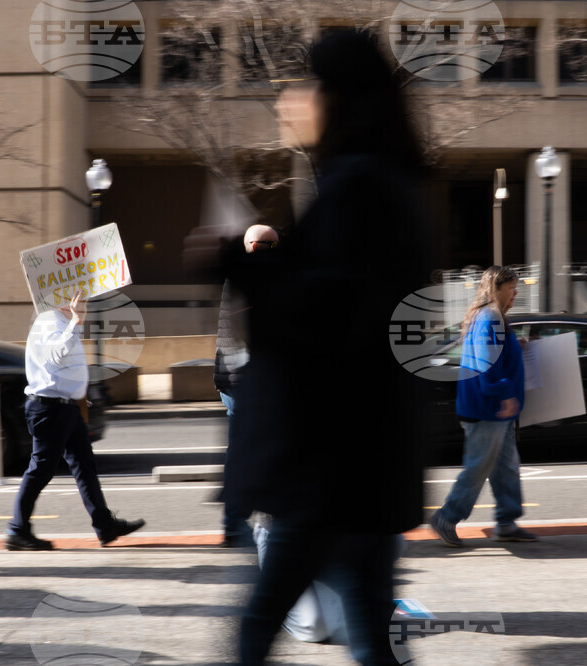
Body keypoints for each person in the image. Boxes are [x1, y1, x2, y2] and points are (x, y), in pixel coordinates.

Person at [215, 30, 431, 665]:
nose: (291, 99)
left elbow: (325, 317)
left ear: (339, 96)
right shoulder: (385, 182)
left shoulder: (359, 185)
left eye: (307, 84)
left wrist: (237, 264)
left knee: (259, 627)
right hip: (361, 464)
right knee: (366, 632)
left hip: (328, 467)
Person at [5, 290, 145, 550]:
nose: (82, 300)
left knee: (84, 466)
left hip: (66, 408)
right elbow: (55, 356)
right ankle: (17, 530)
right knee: (41, 470)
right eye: (76, 295)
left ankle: (105, 526)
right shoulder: (49, 321)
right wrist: (76, 323)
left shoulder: (61, 320)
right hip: (50, 408)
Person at [430, 265, 536, 547]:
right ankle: (446, 517)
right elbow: (484, 364)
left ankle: (506, 523)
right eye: (511, 288)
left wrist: (518, 345)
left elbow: (493, 353)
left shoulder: (492, 316)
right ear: (496, 288)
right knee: (479, 468)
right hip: (488, 407)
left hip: (491, 408)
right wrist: (504, 394)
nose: (515, 294)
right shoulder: (490, 316)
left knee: (506, 467)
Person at [216, 224, 278, 548]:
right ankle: (239, 523)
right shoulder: (246, 282)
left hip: (245, 381)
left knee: (243, 452)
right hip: (242, 382)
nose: (271, 252)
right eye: (267, 246)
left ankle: (238, 522)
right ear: (251, 247)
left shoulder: (253, 279)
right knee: (247, 452)